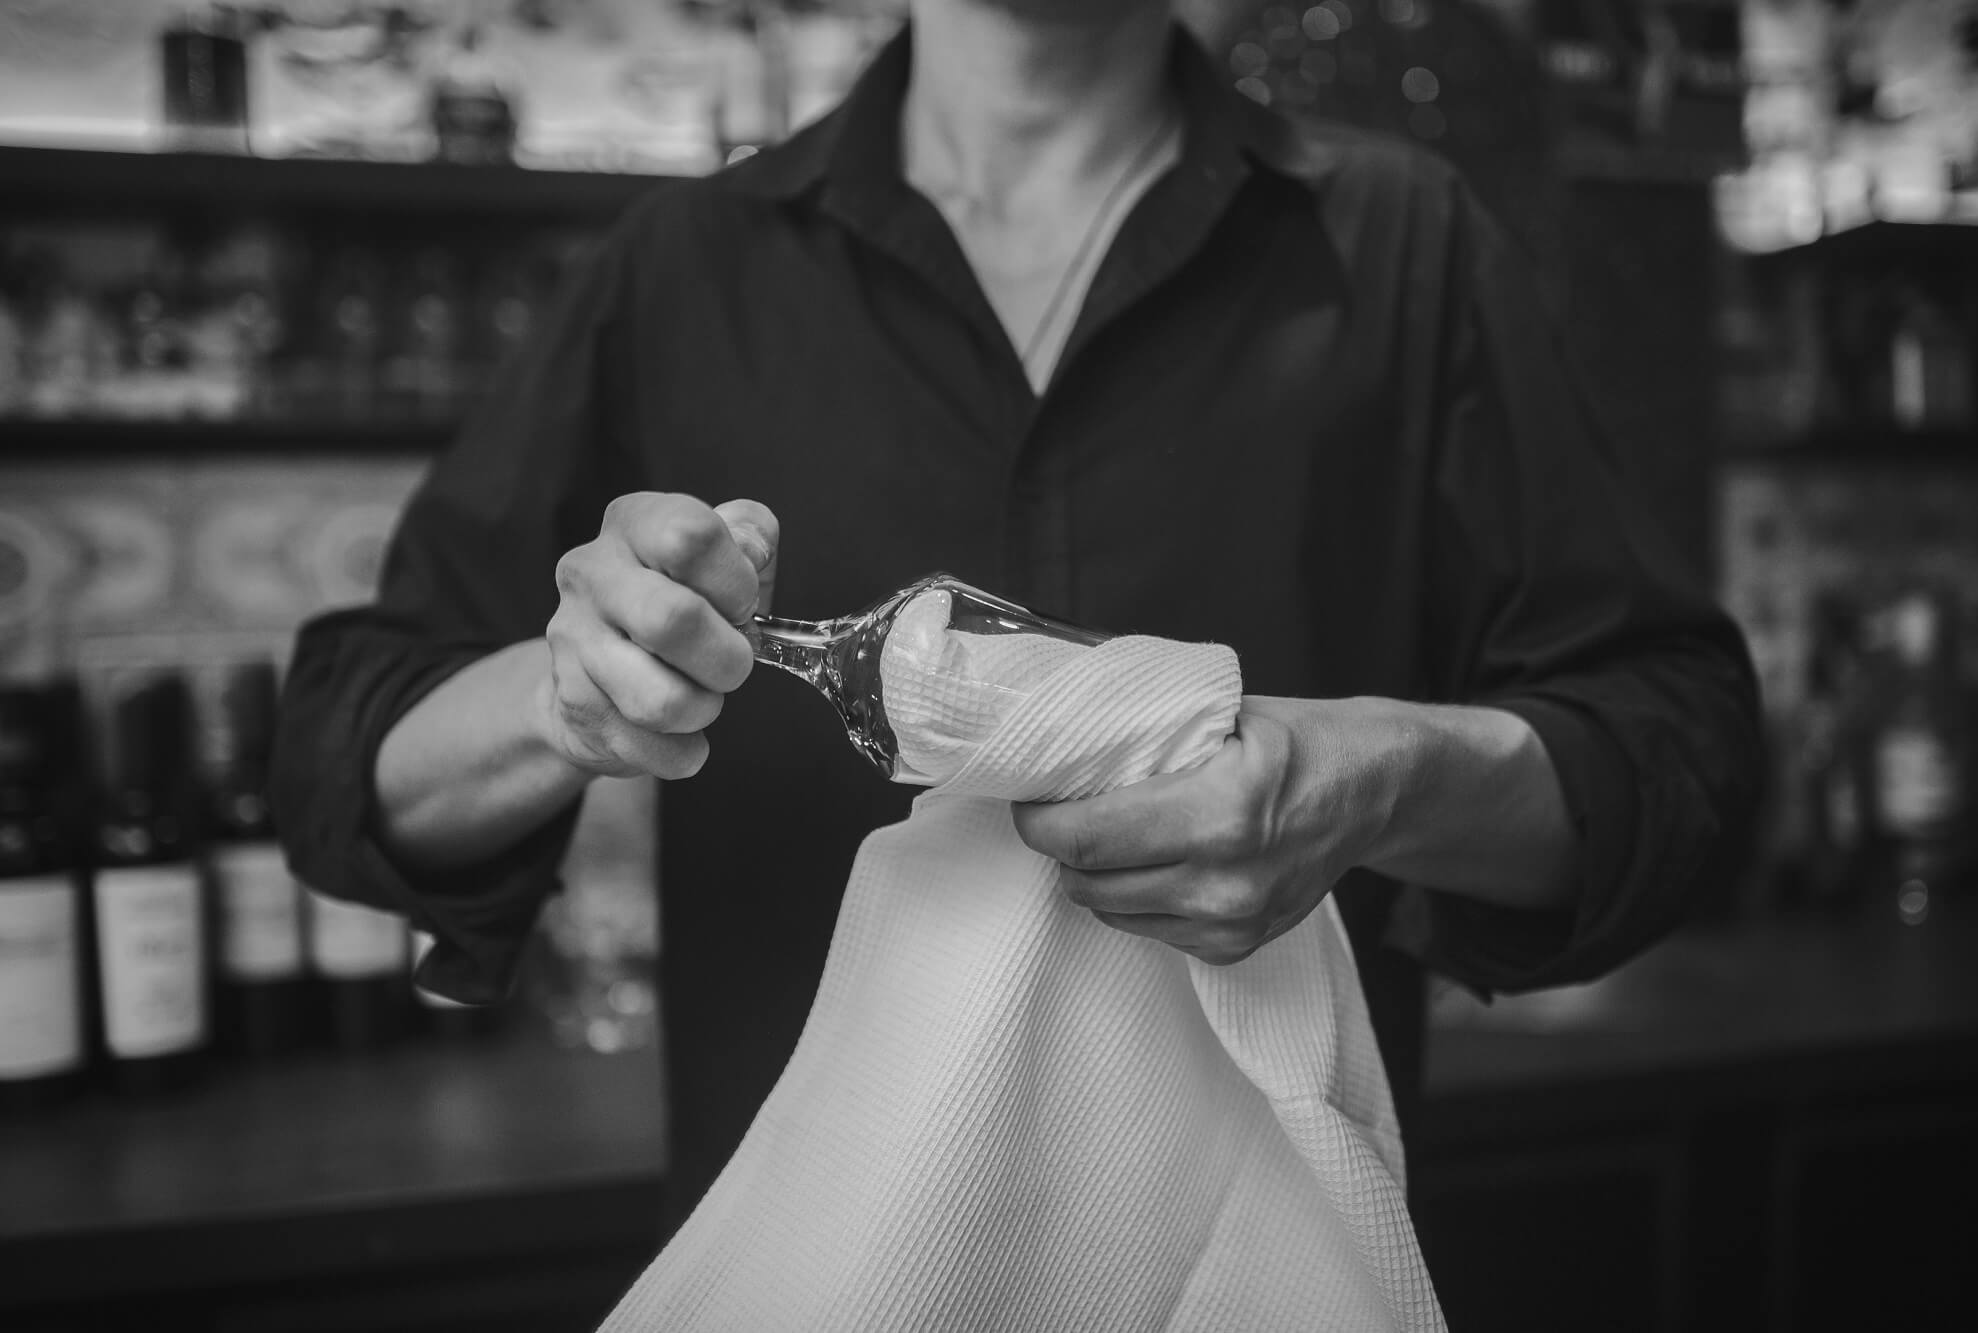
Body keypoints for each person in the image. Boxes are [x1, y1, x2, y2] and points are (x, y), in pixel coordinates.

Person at [272, 0, 1761, 1227]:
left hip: (1265, 1274)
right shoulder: (685, 266)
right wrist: (562, 695)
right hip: (810, 1274)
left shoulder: (1398, 241)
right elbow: (347, 749)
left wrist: (1379, 780)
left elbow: (1681, 753)